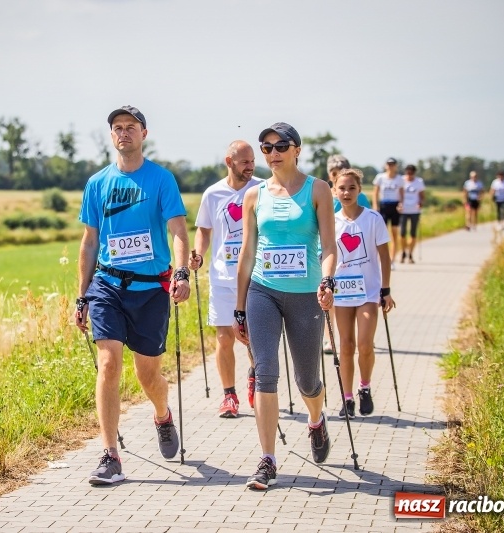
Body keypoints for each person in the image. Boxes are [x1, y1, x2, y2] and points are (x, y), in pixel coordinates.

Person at [75, 105, 191, 485]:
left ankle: (161, 414)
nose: (124, 133)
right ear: (112, 136)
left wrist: (182, 272)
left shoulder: (161, 180)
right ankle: (110, 455)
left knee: (149, 375)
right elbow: (90, 242)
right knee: (108, 364)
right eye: (117, 128)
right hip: (107, 285)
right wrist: (82, 297)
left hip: (150, 290)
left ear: (144, 134)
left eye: (131, 127)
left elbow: (176, 230)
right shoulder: (97, 184)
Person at [234, 122, 336, 490]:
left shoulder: (318, 190)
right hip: (263, 291)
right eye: (266, 147)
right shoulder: (254, 195)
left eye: (280, 145)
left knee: (307, 380)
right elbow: (246, 255)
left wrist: (327, 280)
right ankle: (267, 459)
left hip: (306, 294)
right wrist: (239, 307)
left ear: (297, 149)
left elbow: (329, 247)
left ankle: (315, 419)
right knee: (266, 372)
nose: (273, 153)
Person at [190, 141, 261, 417]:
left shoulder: (261, 189)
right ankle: (229, 396)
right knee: (224, 337)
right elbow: (204, 231)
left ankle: (256, 375)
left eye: (252, 161)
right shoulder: (213, 194)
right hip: (222, 276)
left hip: (255, 276)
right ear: (229, 162)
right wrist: (198, 253)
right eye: (244, 161)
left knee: (254, 338)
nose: (250, 166)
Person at [332, 168, 395, 418]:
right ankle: (347, 398)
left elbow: (384, 257)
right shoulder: (331, 221)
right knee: (345, 347)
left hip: (368, 291)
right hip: (341, 292)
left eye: (351, 188)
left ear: (360, 190)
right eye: (342, 188)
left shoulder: (373, 219)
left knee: (365, 344)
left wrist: (386, 290)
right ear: (334, 191)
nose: (346, 193)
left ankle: (364, 387)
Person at [322, 154, 369, 355]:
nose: (336, 177)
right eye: (333, 174)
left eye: (340, 173)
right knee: (330, 297)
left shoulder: (361, 197)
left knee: (356, 298)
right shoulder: (324, 194)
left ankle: (363, 336)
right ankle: (330, 338)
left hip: (354, 255)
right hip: (332, 254)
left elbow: (366, 222)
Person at [372, 158, 404, 268]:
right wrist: (375, 206)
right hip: (384, 206)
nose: (390, 166)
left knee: (394, 234)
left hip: (394, 207)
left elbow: (401, 193)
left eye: (393, 164)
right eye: (389, 164)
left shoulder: (399, 179)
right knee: (381, 235)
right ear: (386, 166)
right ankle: (380, 260)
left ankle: (392, 260)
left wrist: (401, 203)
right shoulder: (380, 177)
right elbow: (375, 192)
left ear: (396, 166)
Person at [399, 165, 425, 263]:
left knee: (413, 234)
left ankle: (410, 253)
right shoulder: (401, 180)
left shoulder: (419, 182)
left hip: (414, 211)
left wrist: (420, 203)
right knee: (402, 234)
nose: (409, 175)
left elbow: (422, 196)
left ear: (414, 173)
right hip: (403, 211)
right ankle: (403, 251)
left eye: (411, 173)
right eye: (408, 173)